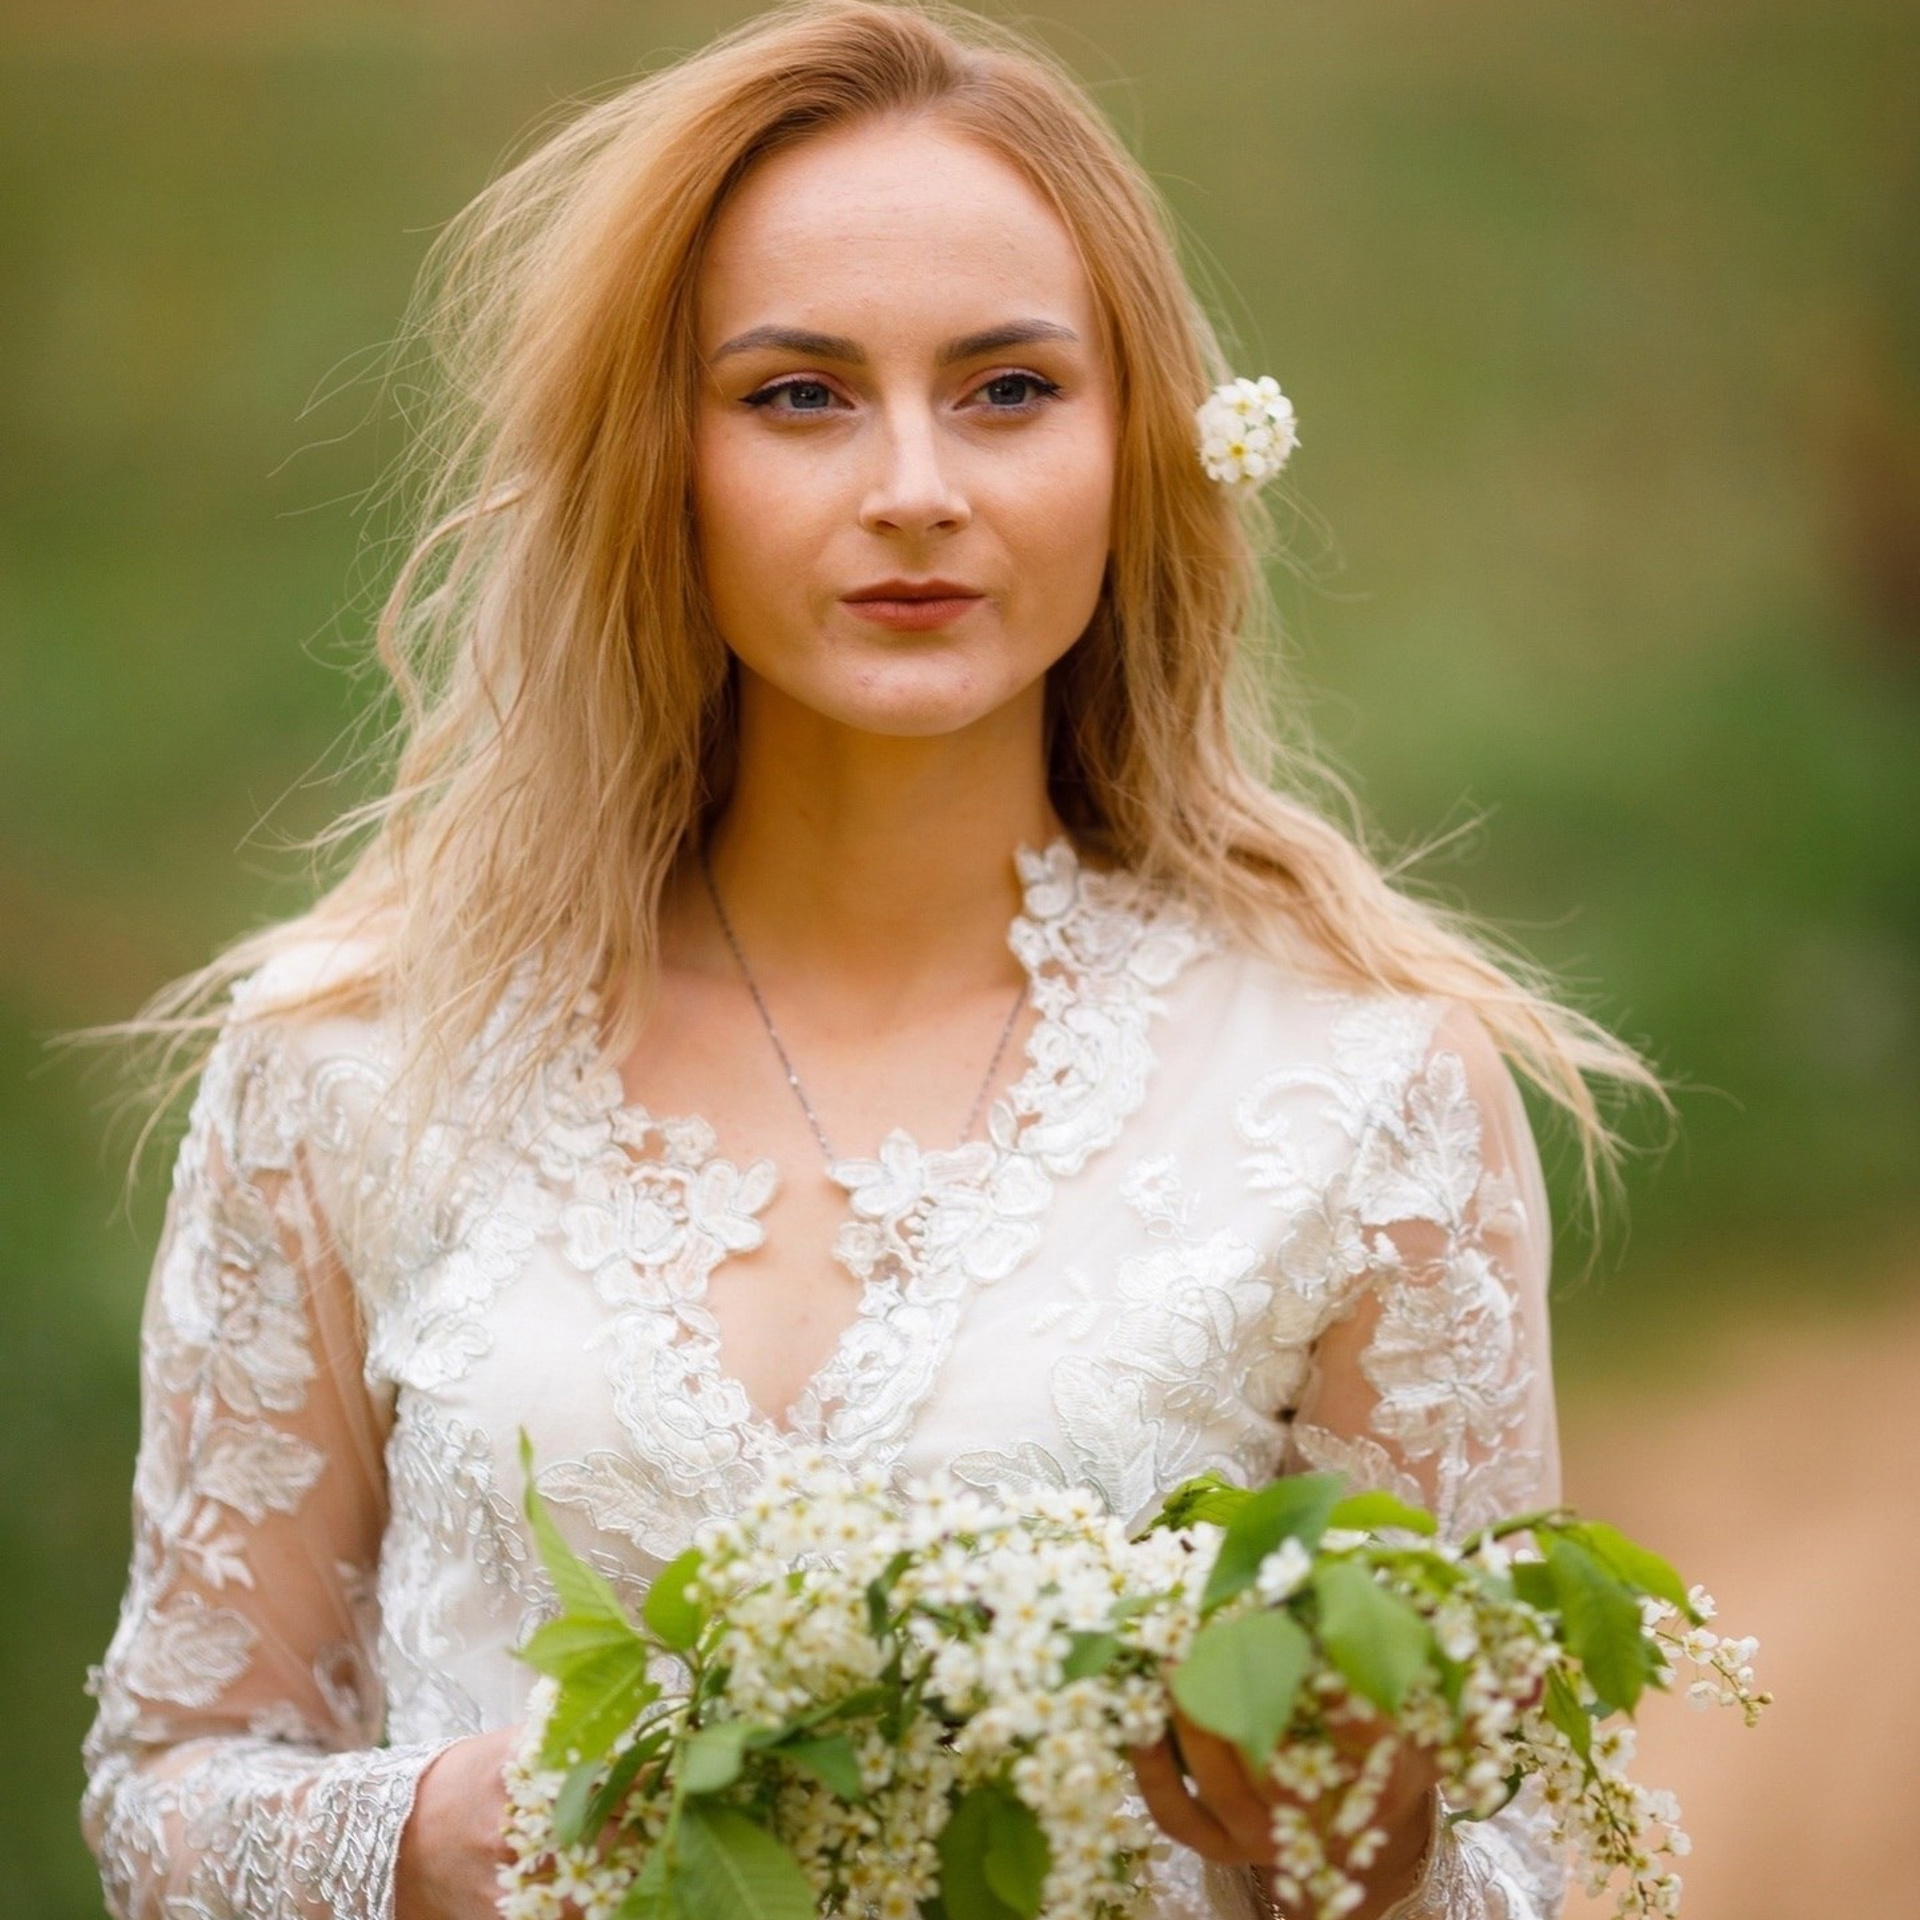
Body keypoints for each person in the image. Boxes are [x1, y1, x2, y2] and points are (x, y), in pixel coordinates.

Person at [76, 4, 1668, 1917]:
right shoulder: (352, 1067)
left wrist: (1370, 1851)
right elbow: (169, 1794)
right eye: (799, 395)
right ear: (659, 458)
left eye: (1007, 390)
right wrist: (410, 1842)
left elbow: (1526, 1852)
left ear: (1135, 447)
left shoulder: (1361, 1090)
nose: (915, 483)